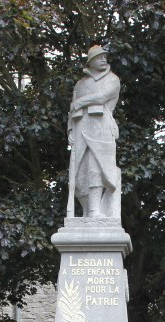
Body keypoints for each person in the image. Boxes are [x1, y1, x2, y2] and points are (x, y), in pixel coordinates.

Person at [67, 45, 121, 219]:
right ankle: (86, 212)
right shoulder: (81, 84)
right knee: (79, 173)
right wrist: (70, 129)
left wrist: (81, 102)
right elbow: (72, 109)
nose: (104, 59)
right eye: (99, 57)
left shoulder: (112, 79)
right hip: (81, 128)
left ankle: (95, 211)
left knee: (96, 168)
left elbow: (102, 97)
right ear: (90, 62)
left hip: (102, 128)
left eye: (105, 56)